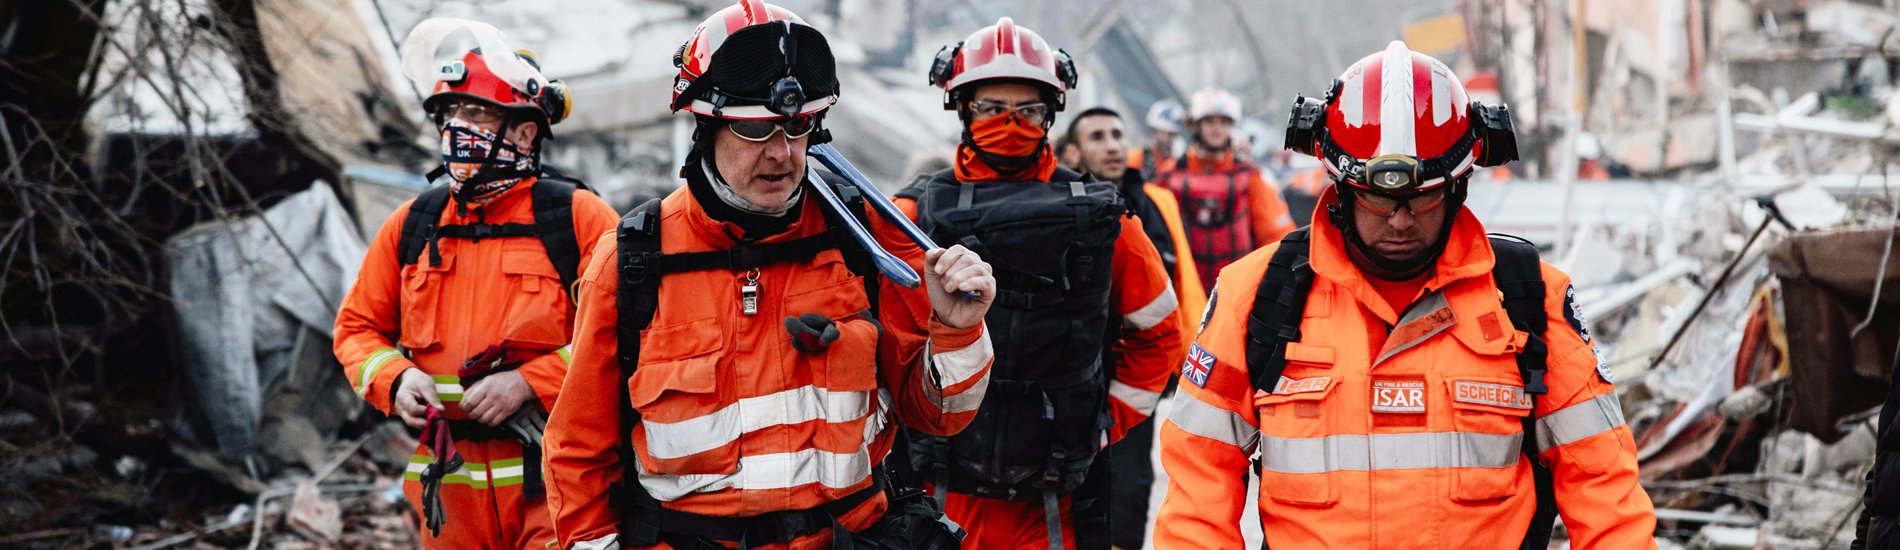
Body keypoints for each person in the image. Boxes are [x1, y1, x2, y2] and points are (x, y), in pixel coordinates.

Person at [1152, 41, 1657, 549]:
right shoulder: (1258, 296)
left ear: (1459, 186)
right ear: (1342, 186)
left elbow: (1603, 486)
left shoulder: (1529, 298)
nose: (1398, 219)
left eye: (1423, 196)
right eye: (1377, 196)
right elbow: (1198, 492)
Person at [540, 2, 997, 548]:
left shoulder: (864, 240)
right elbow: (577, 451)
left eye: (797, 125)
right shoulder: (635, 261)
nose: (782, 154)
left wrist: (958, 331)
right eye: (756, 128)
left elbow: (938, 417)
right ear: (706, 126)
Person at [896, 18, 1186, 550]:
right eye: (991, 109)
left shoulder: (1104, 222)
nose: (1009, 124)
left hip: (1056, 507)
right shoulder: (911, 216)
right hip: (938, 491)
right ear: (961, 108)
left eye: (1026, 110)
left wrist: (1103, 423)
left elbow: (1161, 333)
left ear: (1051, 114)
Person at [333, 28, 619, 549]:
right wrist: (394, 379)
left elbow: (641, 331)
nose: (458, 130)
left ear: (525, 134)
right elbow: (356, 329)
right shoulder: (413, 223)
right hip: (451, 492)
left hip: (554, 483)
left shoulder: (577, 219)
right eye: (450, 116)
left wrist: (532, 381)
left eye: (478, 115)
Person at [1064, 106, 1203, 549]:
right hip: (1071, 378)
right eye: (1098, 136)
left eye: (1118, 134)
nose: (1111, 145)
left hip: (1137, 375)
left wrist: (1193, 361)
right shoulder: (1058, 205)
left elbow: (1183, 282)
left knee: (1131, 485)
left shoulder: (1158, 202)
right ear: (1073, 151)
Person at [1158, 88, 1297, 291]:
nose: (1217, 129)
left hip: (1236, 288)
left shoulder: (1250, 176)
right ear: (1196, 125)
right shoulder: (1168, 176)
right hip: (1185, 289)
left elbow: (1274, 236)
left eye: (1223, 122)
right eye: (1210, 122)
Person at [1130, 99, 1184, 179]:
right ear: (1153, 130)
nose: (1166, 138)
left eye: (1171, 134)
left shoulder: (1176, 163)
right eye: (1162, 132)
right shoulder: (1135, 157)